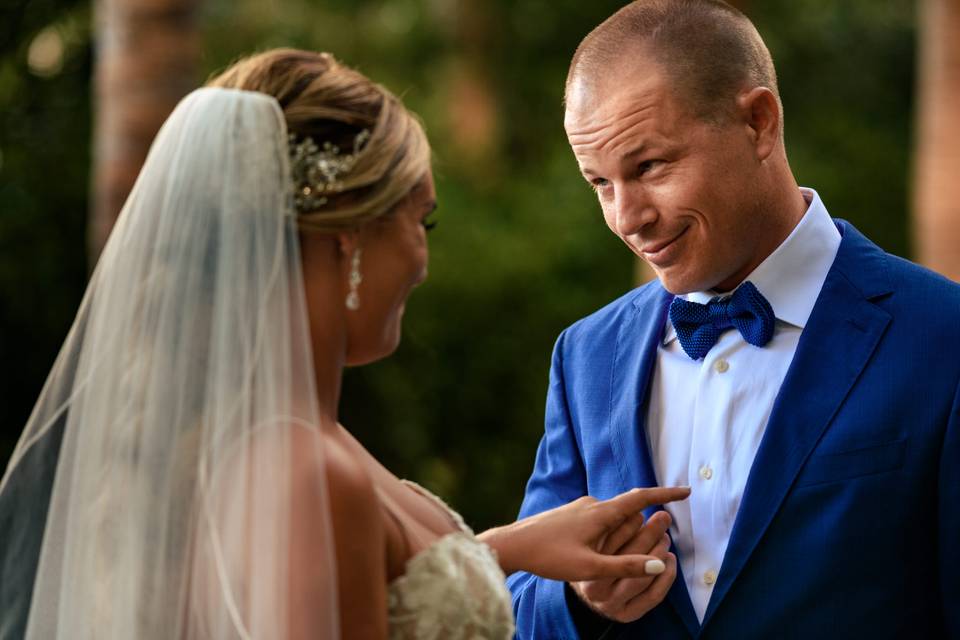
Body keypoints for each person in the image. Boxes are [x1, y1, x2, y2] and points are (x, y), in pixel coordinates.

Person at [0, 50, 690, 639]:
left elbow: (373, 587)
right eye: (423, 220)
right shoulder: (303, 471)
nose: (422, 259)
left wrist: (508, 551)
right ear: (350, 236)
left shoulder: (294, 439)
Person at [508, 1, 960, 638]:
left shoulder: (946, 337)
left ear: (759, 123)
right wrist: (581, 603)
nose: (625, 217)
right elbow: (520, 605)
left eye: (649, 167)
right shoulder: (585, 355)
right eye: (600, 183)